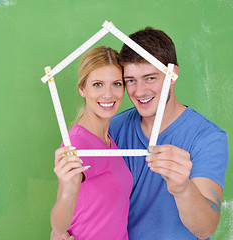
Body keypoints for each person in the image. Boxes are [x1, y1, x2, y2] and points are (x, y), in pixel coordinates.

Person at [52, 27, 228, 240]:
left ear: (173, 75)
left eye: (150, 78)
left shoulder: (207, 138)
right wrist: (61, 232)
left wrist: (182, 188)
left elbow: (206, 228)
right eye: (130, 80)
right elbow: (84, 200)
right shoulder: (112, 129)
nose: (140, 91)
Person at [50, 46, 132, 240]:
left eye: (116, 84)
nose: (108, 94)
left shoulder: (109, 141)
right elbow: (59, 226)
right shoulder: (77, 144)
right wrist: (68, 193)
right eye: (97, 84)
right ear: (82, 88)